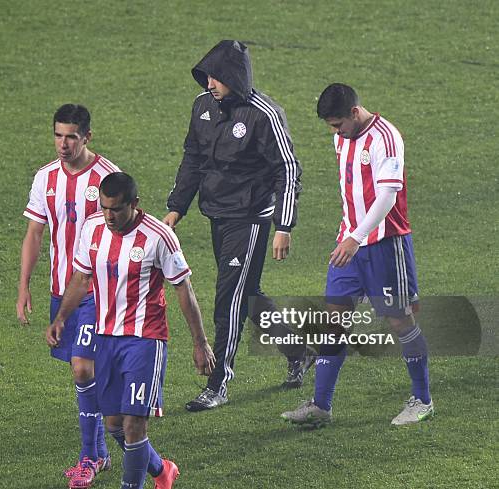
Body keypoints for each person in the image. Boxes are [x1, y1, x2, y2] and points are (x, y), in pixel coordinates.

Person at [163, 40, 310, 412]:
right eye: (208, 76)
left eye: (217, 77)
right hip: (218, 213)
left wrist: (284, 225)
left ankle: (219, 382)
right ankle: (299, 352)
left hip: (251, 219)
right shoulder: (202, 108)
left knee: (228, 298)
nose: (210, 83)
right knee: (248, 294)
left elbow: (288, 169)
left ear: (235, 77)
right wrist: (176, 208)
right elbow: (193, 159)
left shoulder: (264, 114)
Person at [47, 172, 215, 489]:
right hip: (105, 338)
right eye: (105, 207)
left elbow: (183, 289)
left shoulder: (159, 236)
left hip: (144, 340)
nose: (109, 216)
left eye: (116, 209)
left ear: (134, 204)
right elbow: (81, 279)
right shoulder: (93, 228)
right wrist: (61, 319)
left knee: (135, 424)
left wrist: (200, 343)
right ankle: (162, 469)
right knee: (113, 425)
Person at [281, 83, 434, 427]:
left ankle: (422, 400)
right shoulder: (342, 138)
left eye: (338, 124)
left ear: (354, 112)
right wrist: (349, 236)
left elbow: (387, 198)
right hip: (349, 243)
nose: (335, 132)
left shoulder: (386, 137)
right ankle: (321, 406)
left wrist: (356, 237)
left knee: (401, 321)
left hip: (385, 244)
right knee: (332, 322)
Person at [17, 104, 119, 486]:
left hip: (99, 292)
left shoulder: (108, 177)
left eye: (71, 136)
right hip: (62, 291)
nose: (63, 143)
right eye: (58, 135)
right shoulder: (46, 178)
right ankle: (107, 451)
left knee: (82, 368)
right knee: (84, 376)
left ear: (87, 137)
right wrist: (24, 286)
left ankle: (89, 457)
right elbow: (35, 234)